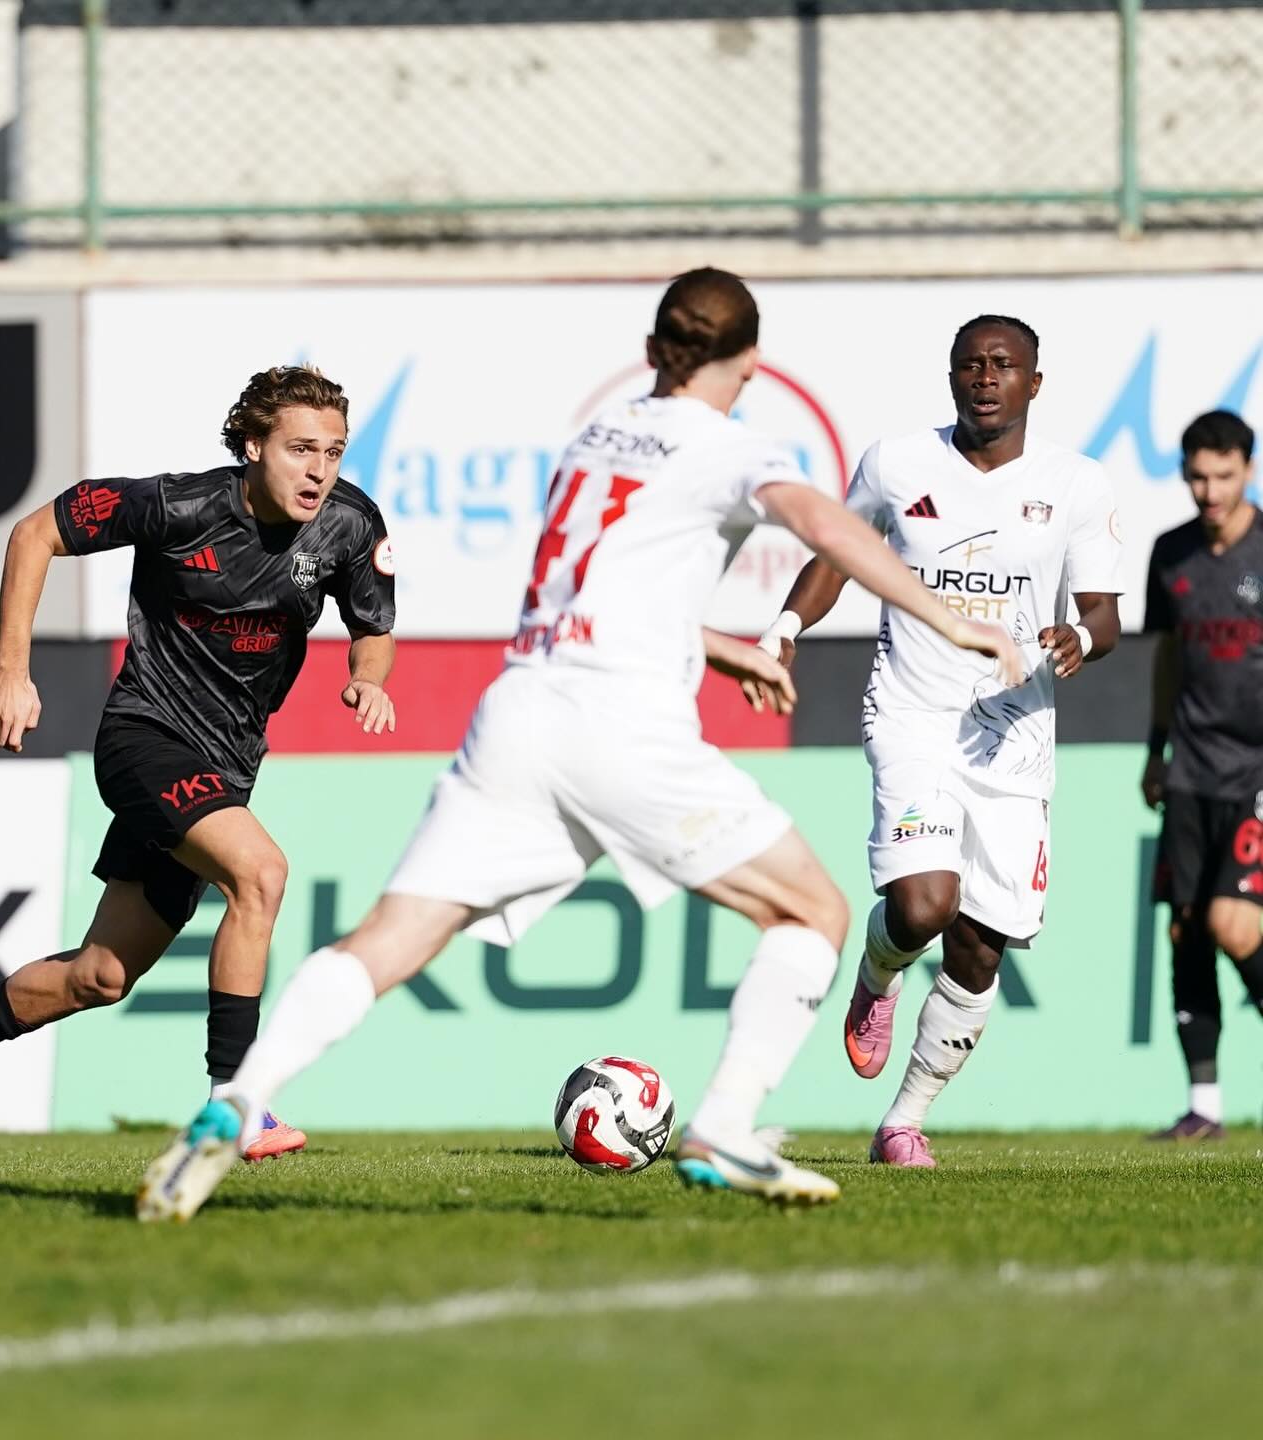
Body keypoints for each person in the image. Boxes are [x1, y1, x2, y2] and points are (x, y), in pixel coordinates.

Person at [134, 269, 1025, 1222]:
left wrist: (716, 647)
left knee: (389, 939)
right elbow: (822, 523)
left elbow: (605, 589)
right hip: (622, 721)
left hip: (520, 712)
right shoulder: (729, 446)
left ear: (652, 354)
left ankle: (238, 1098)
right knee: (813, 913)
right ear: (750, 364)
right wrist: (949, 619)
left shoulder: (595, 439)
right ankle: (725, 1127)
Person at [0, 365, 397, 1163]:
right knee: (259, 874)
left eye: (332, 452)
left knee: (100, 976)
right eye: (300, 449)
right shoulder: (177, 506)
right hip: (143, 738)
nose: (318, 470)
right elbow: (35, 534)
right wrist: (12, 672)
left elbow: (373, 627)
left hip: (226, 767)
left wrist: (368, 678)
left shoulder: (351, 526)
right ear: (253, 446)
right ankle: (235, 1102)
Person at [754, 315, 1122, 1168]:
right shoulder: (896, 464)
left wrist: (1077, 638)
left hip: (1014, 739)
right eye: (970, 365)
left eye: (1003, 365)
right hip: (913, 714)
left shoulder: (1076, 484)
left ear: (1034, 383)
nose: (985, 377)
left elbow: (1102, 615)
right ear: (951, 377)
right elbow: (835, 556)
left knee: (981, 945)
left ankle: (904, 1121)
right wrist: (783, 628)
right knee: (924, 904)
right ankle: (877, 975)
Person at [1142, 409, 1263, 1141]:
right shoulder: (1170, 554)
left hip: (1255, 770)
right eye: (1196, 476)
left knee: (1231, 923)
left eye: (1222, 476)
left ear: (1247, 470)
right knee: (1187, 929)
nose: (1209, 491)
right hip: (1189, 768)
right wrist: (1155, 749)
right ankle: (1205, 1107)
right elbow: (1167, 660)